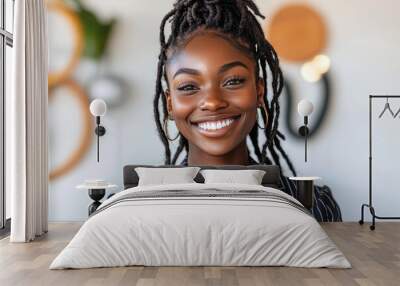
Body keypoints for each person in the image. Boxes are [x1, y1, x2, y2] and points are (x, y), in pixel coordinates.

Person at [152, 0, 341, 222]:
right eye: (188, 87)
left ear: (259, 92)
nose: (212, 102)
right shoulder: (137, 208)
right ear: (170, 104)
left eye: (232, 81)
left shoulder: (314, 205)